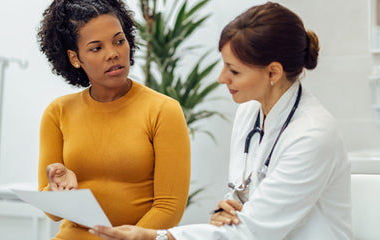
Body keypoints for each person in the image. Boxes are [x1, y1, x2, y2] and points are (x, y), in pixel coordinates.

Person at [89, 2, 352, 240]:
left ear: (273, 71)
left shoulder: (312, 136)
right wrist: (224, 209)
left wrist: (155, 237)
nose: (221, 78)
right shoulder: (249, 111)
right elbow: (239, 197)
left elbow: (252, 230)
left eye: (234, 70)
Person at [36, 0, 191, 239]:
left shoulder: (163, 110)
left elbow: (169, 206)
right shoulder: (57, 113)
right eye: (96, 48)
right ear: (75, 58)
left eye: (119, 41)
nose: (113, 54)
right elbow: (53, 213)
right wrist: (58, 191)